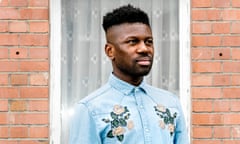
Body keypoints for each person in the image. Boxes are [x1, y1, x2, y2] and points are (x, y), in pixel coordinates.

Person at [69, 4, 189, 144]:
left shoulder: (170, 103)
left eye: (148, 42)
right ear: (110, 51)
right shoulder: (91, 109)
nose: (144, 49)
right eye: (132, 42)